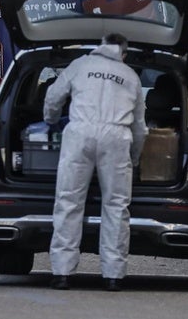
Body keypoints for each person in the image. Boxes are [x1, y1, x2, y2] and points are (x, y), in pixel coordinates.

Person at [43, 33, 148, 292]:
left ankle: (62, 273)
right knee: (115, 206)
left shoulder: (81, 65)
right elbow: (140, 127)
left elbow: (53, 97)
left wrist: (49, 119)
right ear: (124, 52)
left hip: (79, 133)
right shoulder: (130, 76)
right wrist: (133, 158)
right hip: (116, 137)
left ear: (101, 45)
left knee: (68, 201)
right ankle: (113, 275)